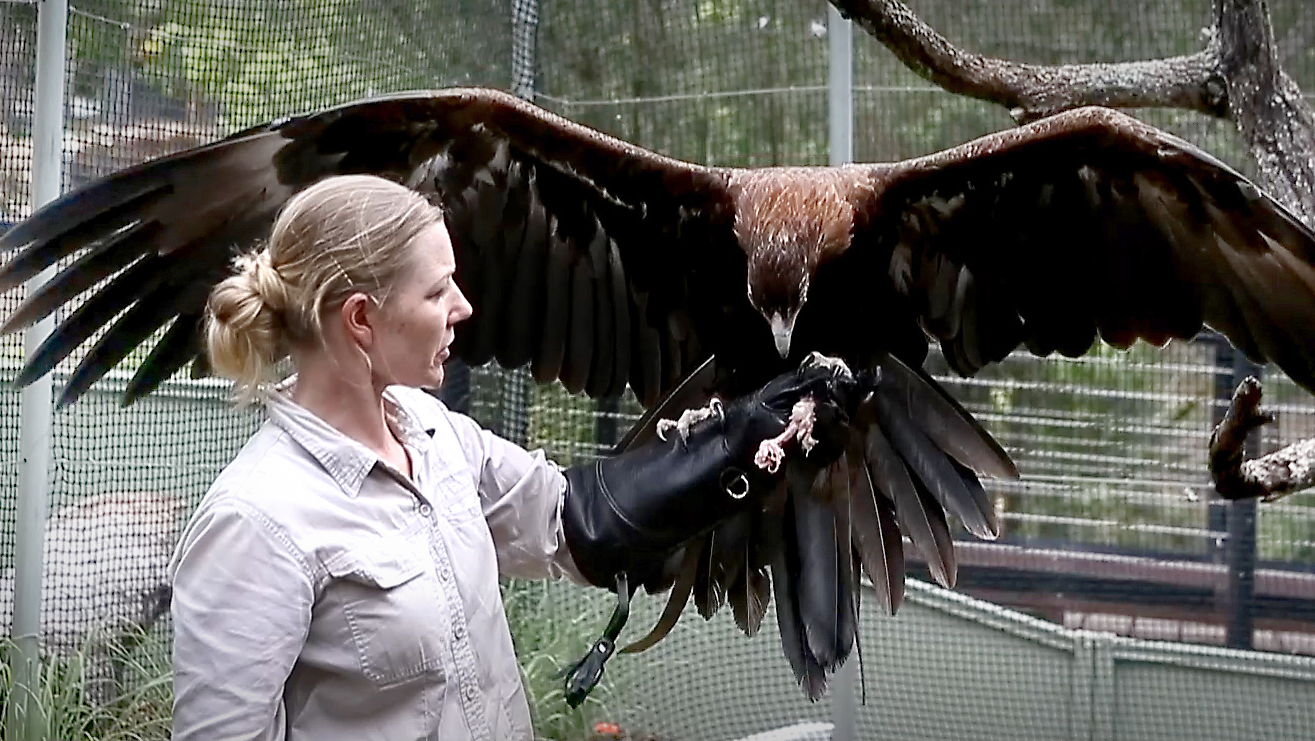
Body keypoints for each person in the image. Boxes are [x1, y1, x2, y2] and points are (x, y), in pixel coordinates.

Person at [170, 174, 853, 740]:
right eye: (437, 291)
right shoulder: (256, 522)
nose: (464, 306)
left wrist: (736, 441)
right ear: (360, 319)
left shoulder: (435, 437)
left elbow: (576, 520)